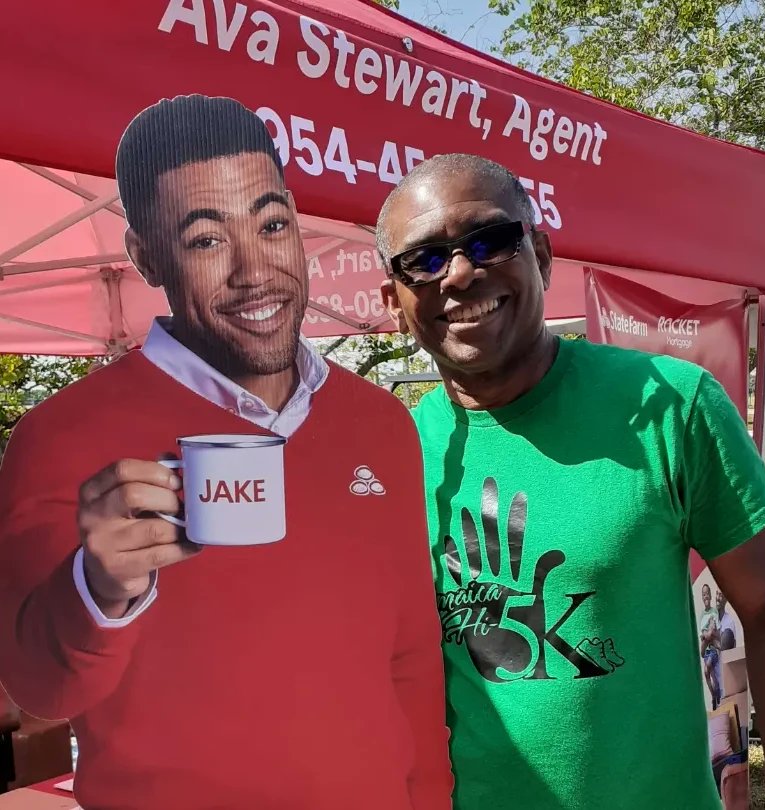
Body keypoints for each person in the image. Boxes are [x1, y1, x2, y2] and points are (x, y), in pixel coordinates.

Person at [0, 95, 452, 810]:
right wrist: (98, 588)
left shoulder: (382, 424)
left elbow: (410, 663)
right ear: (147, 258)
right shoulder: (61, 437)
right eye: (206, 240)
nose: (254, 271)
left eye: (272, 225)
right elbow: (39, 691)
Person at [375, 152, 765, 809]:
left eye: (490, 240)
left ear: (542, 257)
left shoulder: (671, 405)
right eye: (425, 259)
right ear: (393, 301)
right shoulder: (391, 457)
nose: (461, 272)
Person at [699, 583, 722, 709]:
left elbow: (714, 631)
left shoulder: (714, 612)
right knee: (707, 673)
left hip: (712, 649)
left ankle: (717, 695)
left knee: (708, 667)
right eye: (703, 594)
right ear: (702, 597)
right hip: (706, 650)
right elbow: (702, 634)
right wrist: (707, 635)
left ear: (710, 595)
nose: (705, 596)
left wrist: (708, 635)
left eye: (707, 593)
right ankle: (714, 695)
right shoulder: (702, 615)